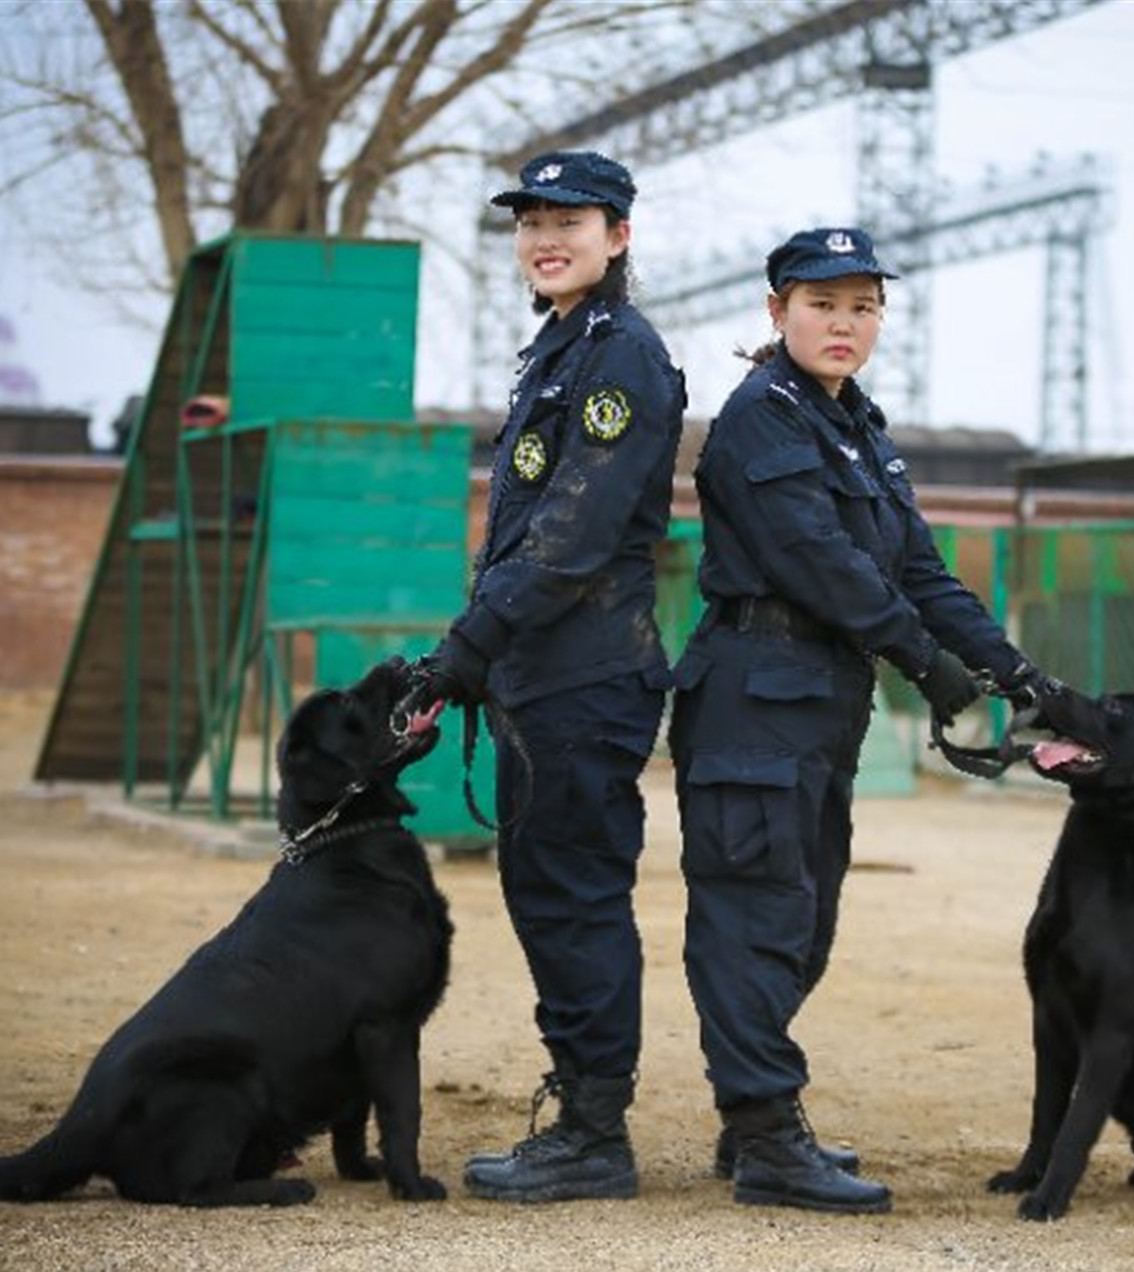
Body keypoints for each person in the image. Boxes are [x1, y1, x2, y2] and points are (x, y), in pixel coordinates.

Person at [669, 226, 1062, 1214]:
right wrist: (923, 665)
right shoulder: (762, 416)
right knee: (754, 915)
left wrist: (1011, 672)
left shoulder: (855, 427)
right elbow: (819, 561)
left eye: (862, 307)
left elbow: (916, 569)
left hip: (819, 699)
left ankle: (753, 1119)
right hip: (756, 689)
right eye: (820, 304)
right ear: (775, 312)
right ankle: (764, 1134)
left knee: (803, 919)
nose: (843, 325)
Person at [398, 150, 685, 1202]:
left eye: (571, 220)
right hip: (540, 674)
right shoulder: (558, 350)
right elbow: (528, 534)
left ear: (618, 237)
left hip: (586, 679)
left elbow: (568, 539)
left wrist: (467, 645)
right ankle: (579, 1109)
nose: (544, 237)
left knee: (574, 900)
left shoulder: (622, 358)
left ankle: (594, 1136)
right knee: (547, 896)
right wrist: (481, 650)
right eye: (529, 223)